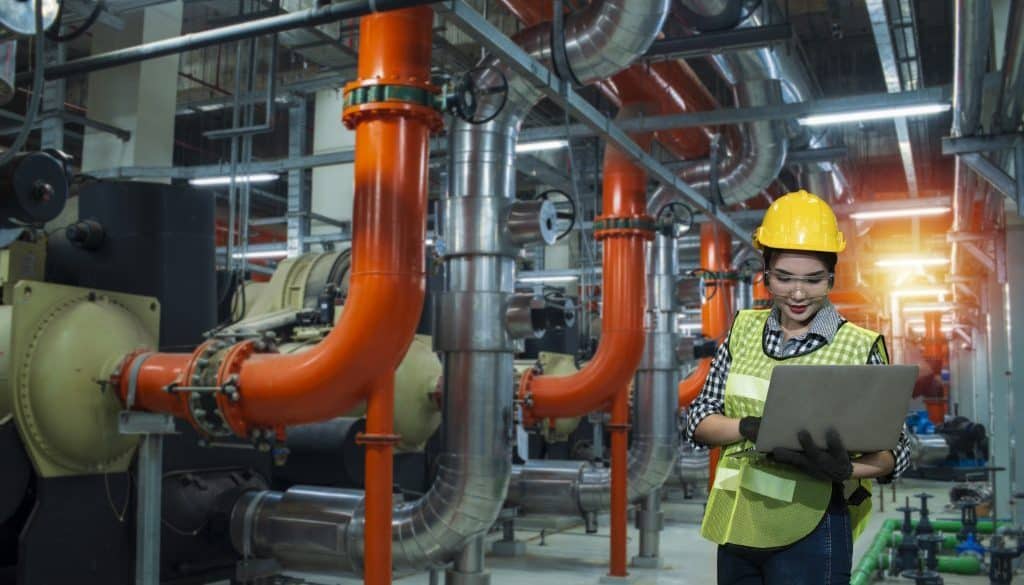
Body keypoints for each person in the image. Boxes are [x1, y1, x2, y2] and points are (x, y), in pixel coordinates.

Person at [685, 190, 911, 585]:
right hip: (739, 524)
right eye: (784, 278)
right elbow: (698, 419)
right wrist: (748, 427)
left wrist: (847, 469)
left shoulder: (858, 346)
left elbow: (898, 449)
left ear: (832, 277)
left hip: (814, 526)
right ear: (766, 272)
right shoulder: (742, 330)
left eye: (813, 280)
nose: (798, 293)